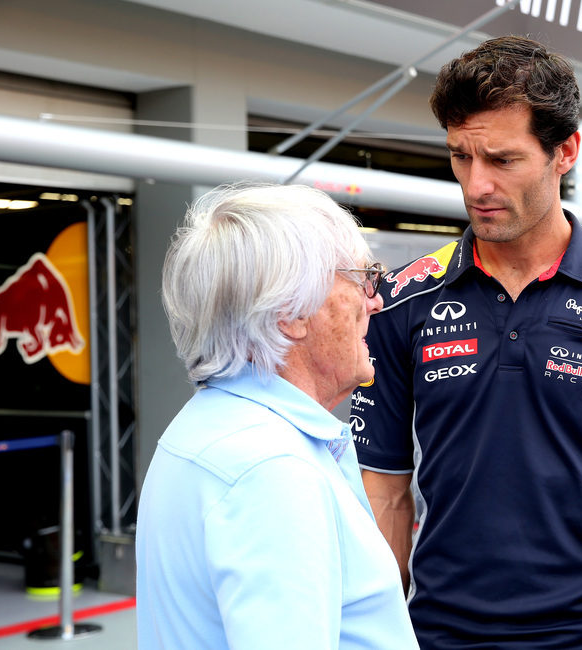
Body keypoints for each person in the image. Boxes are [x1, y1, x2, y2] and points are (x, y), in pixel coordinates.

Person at [354, 36, 582, 648]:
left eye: (502, 160)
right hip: (437, 636)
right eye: (460, 157)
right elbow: (385, 492)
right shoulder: (403, 300)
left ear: (565, 152)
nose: (476, 185)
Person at [135, 183, 418, 650]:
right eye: (360, 278)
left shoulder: (213, 428)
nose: (376, 300)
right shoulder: (271, 468)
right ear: (290, 312)